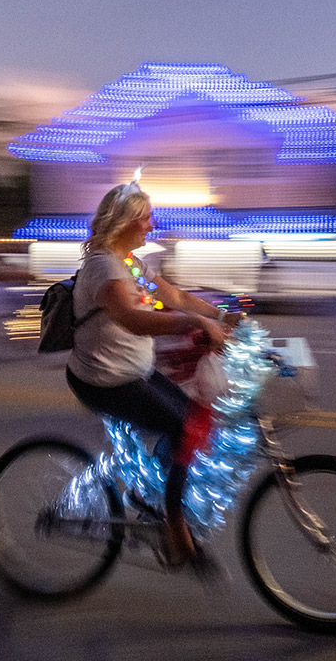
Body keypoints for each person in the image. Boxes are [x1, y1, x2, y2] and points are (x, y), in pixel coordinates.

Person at [67, 180, 240, 569]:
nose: (152, 225)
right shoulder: (105, 268)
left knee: (195, 418)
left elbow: (173, 297)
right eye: (145, 219)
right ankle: (173, 527)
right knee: (184, 429)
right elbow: (131, 318)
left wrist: (222, 316)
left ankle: (155, 496)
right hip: (106, 379)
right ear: (123, 222)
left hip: (134, 371)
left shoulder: (128, 262)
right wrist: (191, 324)